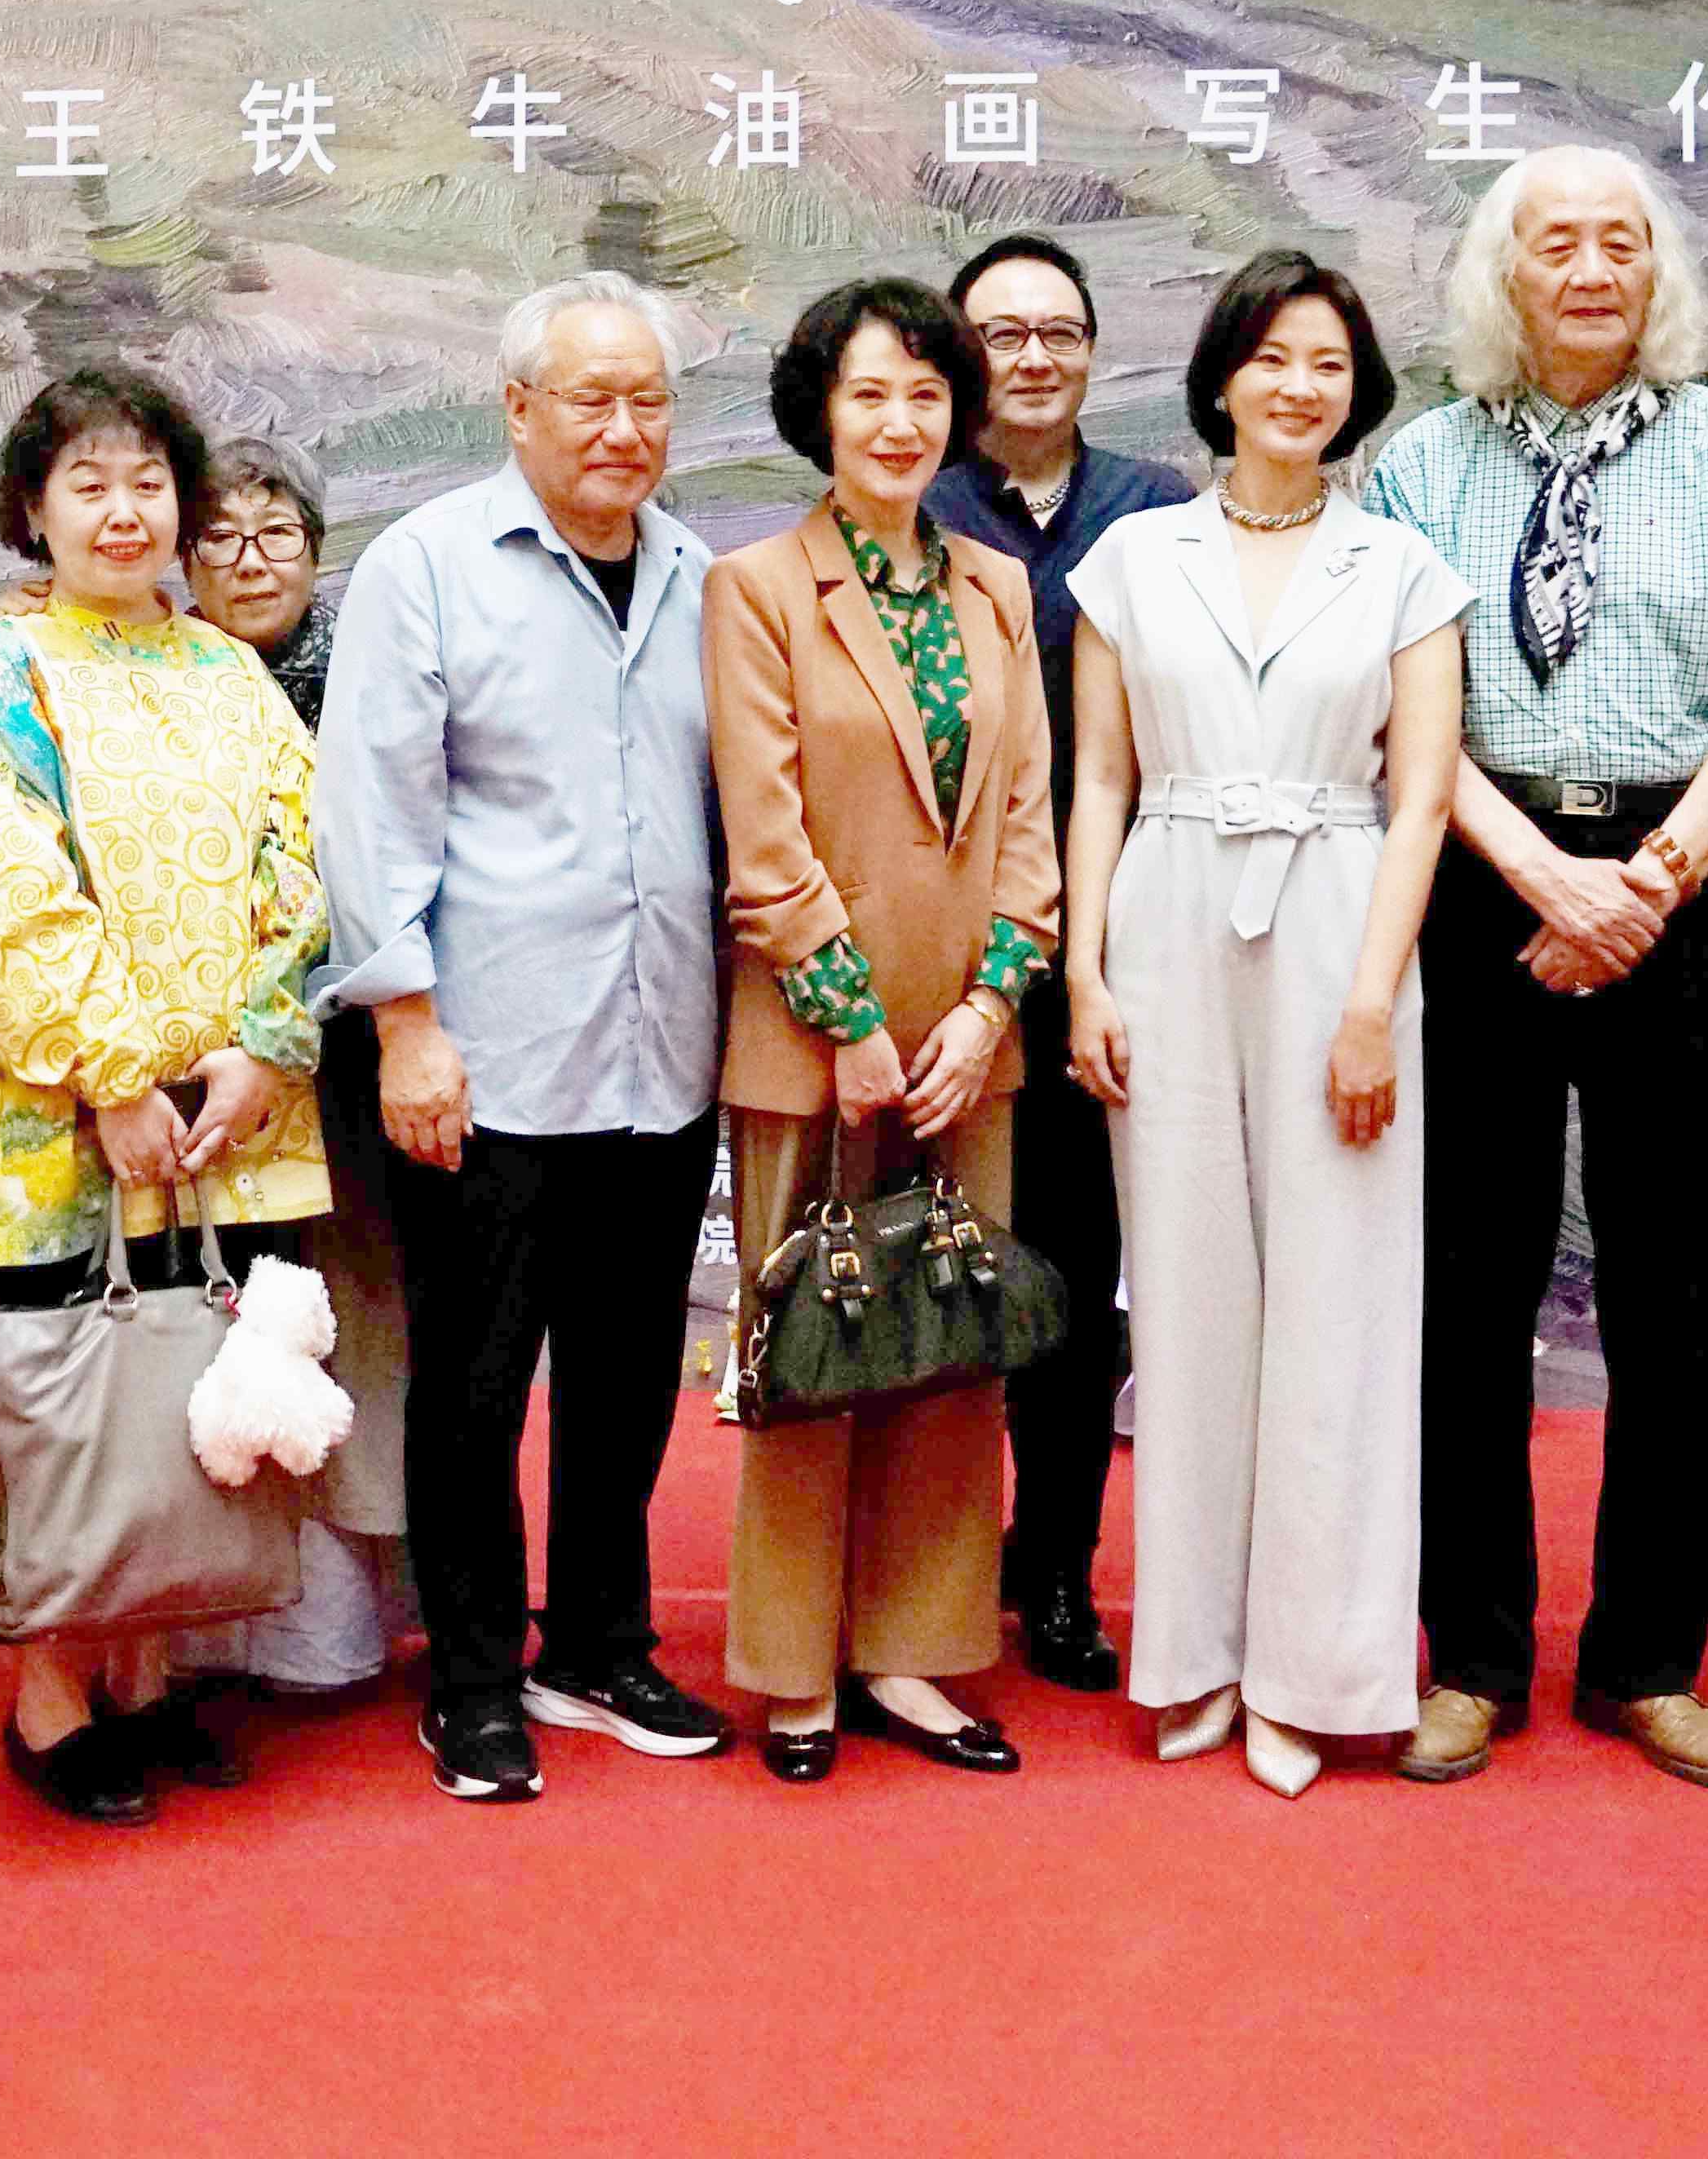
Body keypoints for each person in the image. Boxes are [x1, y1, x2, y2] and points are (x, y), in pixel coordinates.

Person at [1360, 148, 1708, 1794]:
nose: (1592, 267)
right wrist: (1540, 874)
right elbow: (1392, 705)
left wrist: (1647, 881)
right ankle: (1475, 1659)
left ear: (1661, 272)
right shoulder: (1423, 463)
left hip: (1680, 892)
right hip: (1482, 878)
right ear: (1500, 276)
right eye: (1554, 241)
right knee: (1468, 1293)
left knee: (1674, 1303)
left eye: (1622, 240)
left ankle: (1650, 1660)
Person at [321, 272, 737, 1803]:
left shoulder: (701, 574)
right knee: (476, 1380)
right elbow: (371, 810)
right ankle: (477, 1675)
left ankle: (601, 1643)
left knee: (629, 1375)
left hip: (660, 1048)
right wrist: (407, 1026)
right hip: (484, 1055)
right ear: (518, 409)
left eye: (649, 402)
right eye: (591, 399)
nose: (625, 431)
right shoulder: (428, 566)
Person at [1064, 254, 1466, 1792]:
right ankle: (1196, 1656)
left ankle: (1321, 1669)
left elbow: (1421, 796)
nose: (1303, 387)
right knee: (1183, 1302)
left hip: (1338, 915)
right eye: (1276, 358)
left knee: (1343, 1309)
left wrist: (1372, 1003)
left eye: (1332, 364)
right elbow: (1099, 777)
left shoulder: (1406, 573)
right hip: (1163, 911)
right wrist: (1089, 974)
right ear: (1223, 375)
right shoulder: (1132, 562)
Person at [0, 369, 330, 1823]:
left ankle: (151, 1671)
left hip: (228, 1116)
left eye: (146, 480)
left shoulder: (232, 676)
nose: (121, 508)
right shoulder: (1, 675)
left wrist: (267, 1044)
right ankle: (48, 1693)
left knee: (198, 1385)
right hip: (60, 1115)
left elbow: (307, 864)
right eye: (85, 483)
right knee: (70, 1395)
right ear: (32, 508)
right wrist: (106, 1074)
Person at [705, 281, 1061, 1781]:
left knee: (943, 1354)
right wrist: (849, 1020)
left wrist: (989, 1007)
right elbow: (764, 839)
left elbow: (1033, 825)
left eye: (925, 394)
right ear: (820, 414)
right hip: (814, 1041)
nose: (901, 423)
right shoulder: (761, 588)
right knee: (814, 1343)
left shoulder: (992, 593)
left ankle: (914, 1657)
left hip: (967, 1047)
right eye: (870, 395)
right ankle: (795, 1671)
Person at [927, 230, 1198, 1693]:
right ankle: (932, 1569)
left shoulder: (1157, 511)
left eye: (1060, 332)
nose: (1031, 356)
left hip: (1110, 958)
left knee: (1082, 1289)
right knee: (942, 1281)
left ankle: (1061, 1572)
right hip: (943, 971)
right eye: (1002, 332)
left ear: (1095, 352)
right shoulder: (908, 504)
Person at [180, 436, 413, 1697]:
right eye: (220, 536)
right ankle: (202, 1606)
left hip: (354, 1054)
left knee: (360, 1321)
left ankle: (345, 1620)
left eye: (278, 534)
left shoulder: (372, 674)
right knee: (214, 1327)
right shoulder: (151, 678)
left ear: (317, 554)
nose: (251, 559)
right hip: (200, 1064)